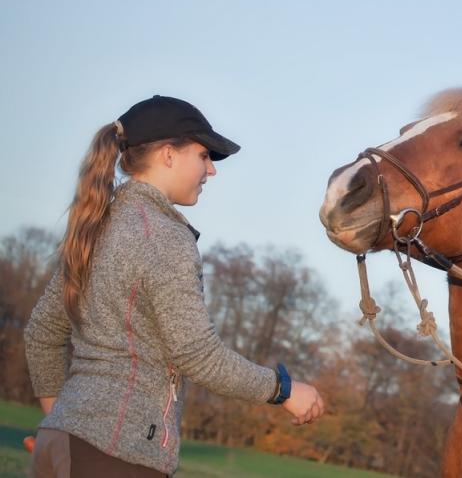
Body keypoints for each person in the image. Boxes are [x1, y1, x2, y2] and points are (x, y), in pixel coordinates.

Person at [25, 95, 326, 477]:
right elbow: (198, 356)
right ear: (169, 154)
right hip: (117, 454)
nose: (211, 171)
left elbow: (41, 333)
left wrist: (62, 423)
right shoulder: (163, 235)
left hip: (60, 445)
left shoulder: (98, 224)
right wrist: (283, 390)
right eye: (204, 156)